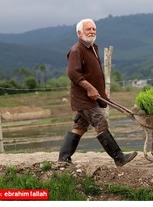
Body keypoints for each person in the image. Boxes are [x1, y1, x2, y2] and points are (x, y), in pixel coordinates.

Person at [58, 18, 137, 167]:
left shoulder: (93, 48)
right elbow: (73, 74)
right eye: (88, 29)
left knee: (80, 127)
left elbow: (94, 74)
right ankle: (119, 158)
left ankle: (63, 158)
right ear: (79, 32)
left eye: (94, 29)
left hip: (91, 97)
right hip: (83, 97)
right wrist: (90, 88)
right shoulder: (76, 50)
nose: (92, 32)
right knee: (100, 122)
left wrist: (102, 94)